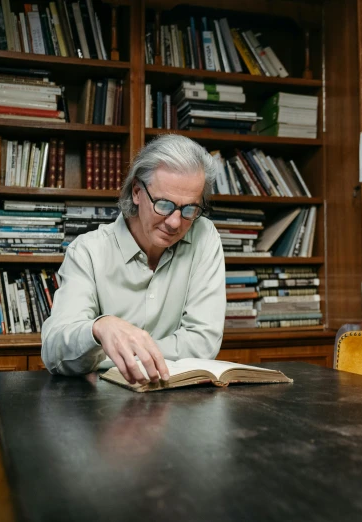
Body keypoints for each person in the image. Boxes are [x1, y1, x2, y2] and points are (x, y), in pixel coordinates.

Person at [41, 134, 226, 385]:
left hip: (180, 403)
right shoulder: (87, 251)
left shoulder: (204, 236)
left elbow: (202, 345)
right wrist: (99, 329)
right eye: (164, 204)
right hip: (99, 411)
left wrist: (113, 354)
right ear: (137, 192)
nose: (174, 222)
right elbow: (54, 354)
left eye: (189, 209)